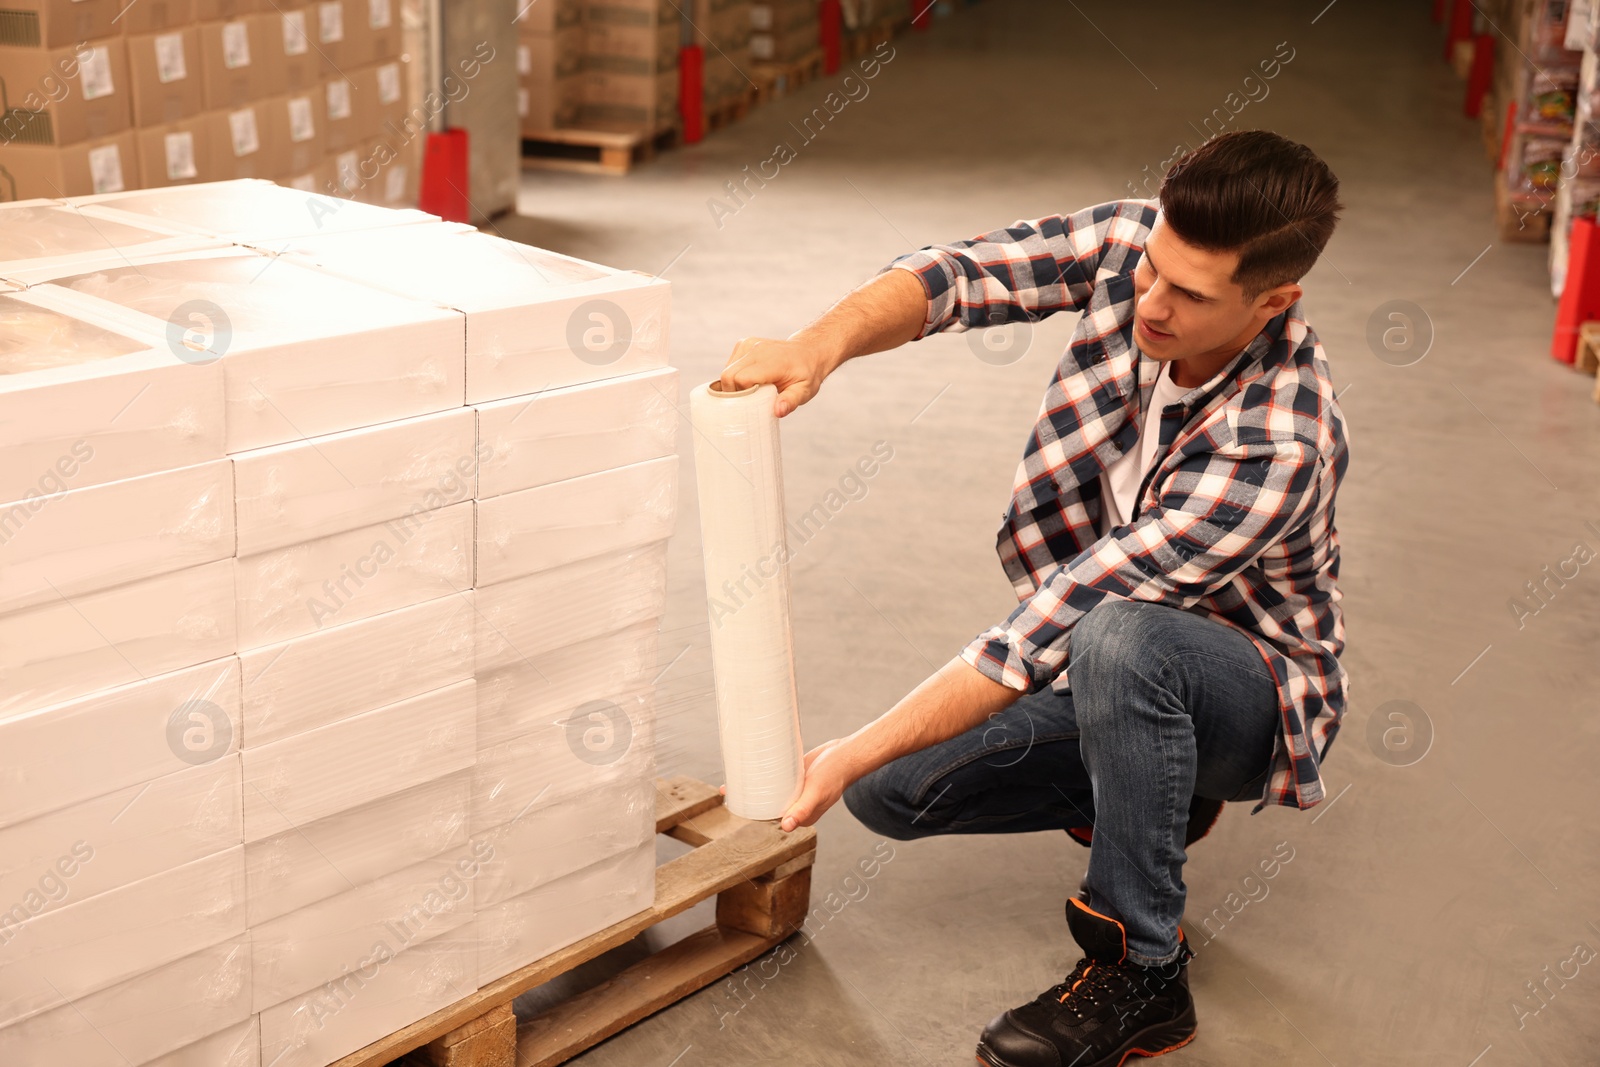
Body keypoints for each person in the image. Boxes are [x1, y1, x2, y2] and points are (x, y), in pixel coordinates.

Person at [716, 129, 1348, 1066]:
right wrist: (821, 346)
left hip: (1247, 693)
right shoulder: (1141, 249)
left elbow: (1053, 626)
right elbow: (961, 275)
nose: (1152, 301)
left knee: (1120, 643)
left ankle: (1144, 970)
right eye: (1153, 271)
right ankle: (1150, 783)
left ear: (1275, 301)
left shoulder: (1282, 436)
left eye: (1190, 294)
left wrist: (847, 748)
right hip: (1111, 649)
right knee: (893, 793)